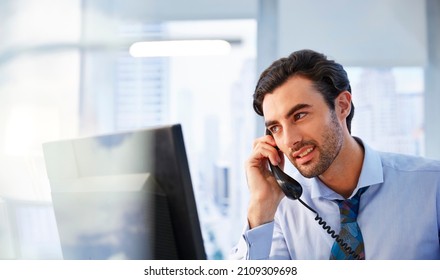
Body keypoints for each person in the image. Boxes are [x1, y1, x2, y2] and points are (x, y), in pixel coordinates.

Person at [230, 49, 440, 260]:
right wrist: (260, 205)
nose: (288, 140)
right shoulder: (282, 210)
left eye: (299, 115)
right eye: (275, 128)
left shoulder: (432, 185)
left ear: (342, 106)